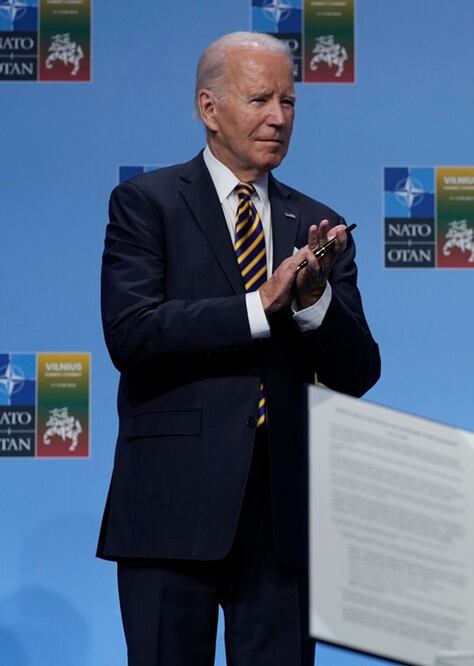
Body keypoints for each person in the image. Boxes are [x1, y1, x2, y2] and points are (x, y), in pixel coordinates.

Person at [96, 32, 381, 666]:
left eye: (288, 101)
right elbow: (132, 332)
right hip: (171, 507)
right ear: (209, 108)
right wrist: (260, 306)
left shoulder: (319, 225)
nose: (278, 117)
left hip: (282, 517)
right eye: (259, 99)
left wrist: (312, 304)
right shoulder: (147, 204)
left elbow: (360, 370)